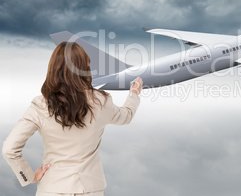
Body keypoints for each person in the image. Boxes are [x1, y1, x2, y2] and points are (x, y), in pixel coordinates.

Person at [2, 42, 143, 196]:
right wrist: (134, 94)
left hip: (52, 189)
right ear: (84, 68)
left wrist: (29, 176)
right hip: (91, 189)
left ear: (53, 69)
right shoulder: (101, 101)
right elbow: (127, 115)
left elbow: (9, 149)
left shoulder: (40, 105)